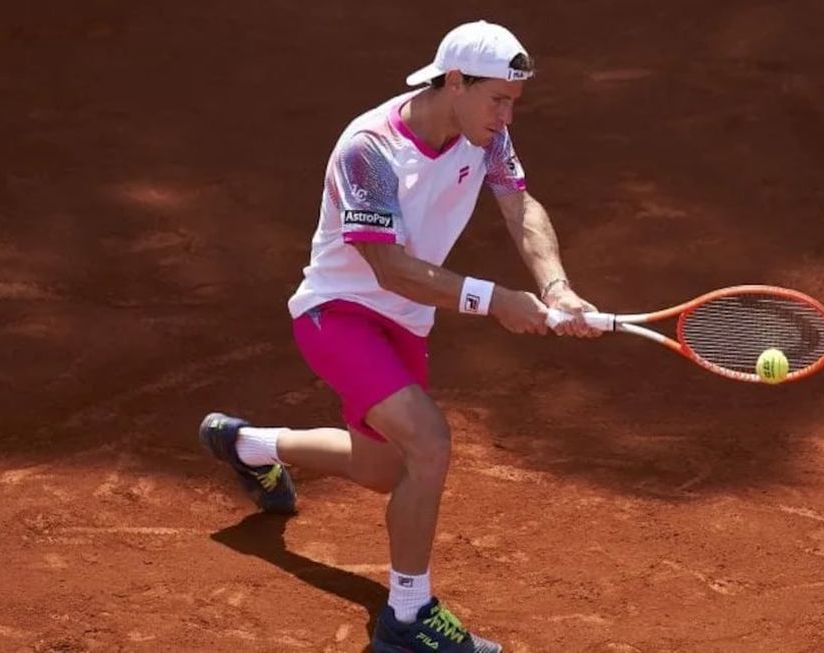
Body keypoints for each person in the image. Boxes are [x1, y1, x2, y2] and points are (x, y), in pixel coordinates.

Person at [199, 19, 600, 653]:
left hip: (406, 323)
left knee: (387, 468)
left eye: (512, 103)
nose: (506, 117)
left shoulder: (486, 136)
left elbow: (520, 208)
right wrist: (494, 300)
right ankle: (407, 618)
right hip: (339, 314)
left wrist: (556, 288)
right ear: (457, 82)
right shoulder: (371, 149)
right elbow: (387, 267)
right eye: (498, 99)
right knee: (431, 444)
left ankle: (248, 445)